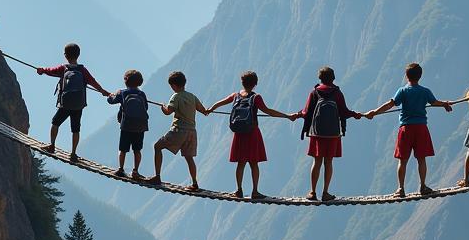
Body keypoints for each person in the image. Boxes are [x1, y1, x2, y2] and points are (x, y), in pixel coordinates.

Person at [364, 62, 453, 197]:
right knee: (421, 159)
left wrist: (374, 112)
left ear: (406, 76)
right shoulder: (425, 91)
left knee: (403, 160)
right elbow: (434, 102)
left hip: (406, 129)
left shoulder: (403, 91)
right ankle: (423, 186)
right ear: (420, 76)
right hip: (421, 128)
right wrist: (445, 104)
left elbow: (390, 104)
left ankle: (400, 189)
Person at [207, 71, 295, 199]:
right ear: (255, 84)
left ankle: (238, 190)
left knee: (241, 163)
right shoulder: (256, 97)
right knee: (254, 163)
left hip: (239, 133)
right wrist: (287, 116)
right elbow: (268, 111)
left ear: (242, 83)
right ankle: (255, 191)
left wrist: (210, 109)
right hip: (252, 133)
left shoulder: (236, 95)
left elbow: (221, 102)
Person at [298, 66, 362, 202]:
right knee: (328, 162)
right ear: (333, 78)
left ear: (320, 78)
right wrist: (354, 114)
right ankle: (325, 193)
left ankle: (312, 192)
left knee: (317, 161)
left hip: (317, 133)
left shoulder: (314, 92)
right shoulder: (337, 93)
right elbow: (343, 112)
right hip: (333, 134)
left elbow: (307, 112)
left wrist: (298, 114)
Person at [36, 43, 105, 160]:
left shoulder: (63, 68)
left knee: (55, 122)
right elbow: (93, 82)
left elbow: (51, 71)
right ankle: (73, 153)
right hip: (78, 105)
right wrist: (103, 91)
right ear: (78, 55)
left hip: (65, 104)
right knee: (76, 129)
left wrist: (42, 70)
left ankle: (52, 146)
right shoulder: (82, 70)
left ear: (65, 55)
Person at [149, 71, 209, 190]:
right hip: (192, 132)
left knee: (157, 146)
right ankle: (195, 183)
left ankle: (157, 177)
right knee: (189, 157)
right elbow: (204, 111)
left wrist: (162, 107)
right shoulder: (192, 96)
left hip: (178, 131)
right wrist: (209, 110)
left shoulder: (175, 96)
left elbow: (168, 112)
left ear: (174, 85)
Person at [107, 69, 150, 179]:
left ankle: (121, 169)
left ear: (126, 81)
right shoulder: (142, 94)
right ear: (140, 82)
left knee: (123, 149)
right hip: (140, 126)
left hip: (127, 125)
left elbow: (111, 101)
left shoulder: (123, 93)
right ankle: (135, 171)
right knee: (137, 150)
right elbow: (146, 107)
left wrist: (111, 95)